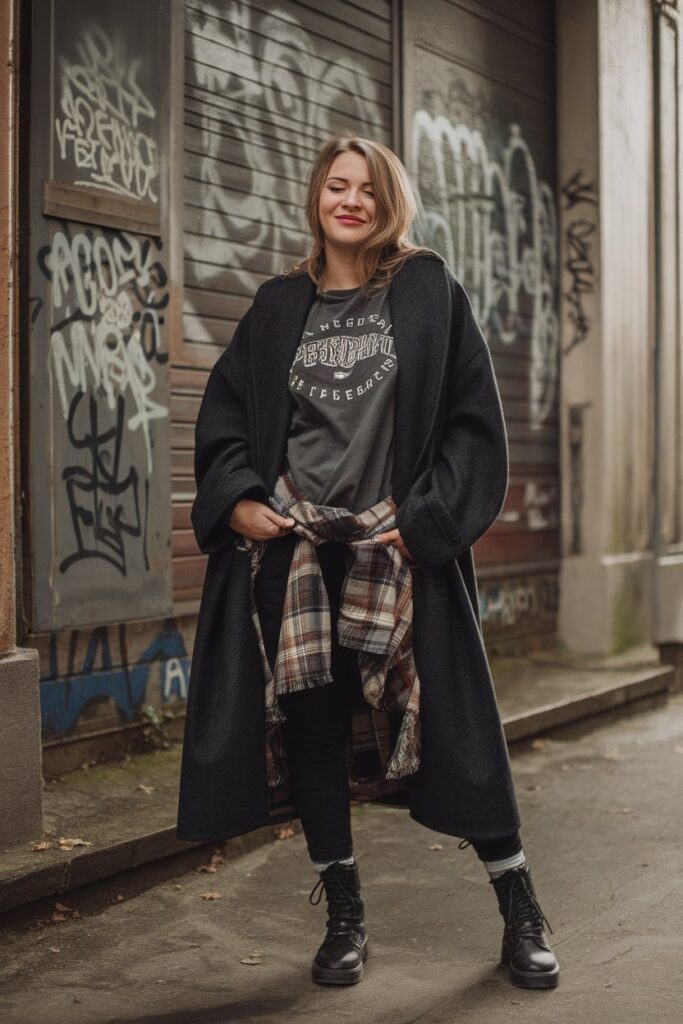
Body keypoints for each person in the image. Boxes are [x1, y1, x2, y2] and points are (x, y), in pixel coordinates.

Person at [176, 131, 559, 991]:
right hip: (301, 551)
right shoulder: (278, 307)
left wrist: (426, 521)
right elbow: (224, 417)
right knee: (312, 728)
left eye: (368, 189)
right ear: (316, 197)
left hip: (399, 549)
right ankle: (344, 914)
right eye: (336, 186)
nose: (350, 200)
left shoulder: (425, 292)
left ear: (391, 203)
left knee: (460, 733)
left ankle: (519, 905)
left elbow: (471, 424)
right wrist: (238, 498)